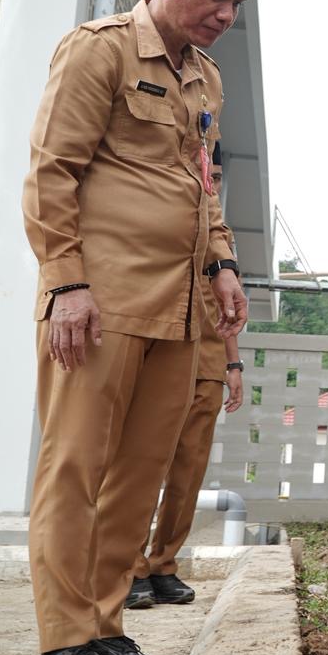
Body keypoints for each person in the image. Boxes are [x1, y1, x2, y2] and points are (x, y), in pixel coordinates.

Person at [21, 0, 256, 655]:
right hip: (102, 303)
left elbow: (203, 186)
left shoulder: (206, 79)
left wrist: (223, 264)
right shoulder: (101, 50)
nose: (225, 14)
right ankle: (61, 649)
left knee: (137, 477)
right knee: (74, 470)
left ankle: (102, 629)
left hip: (179, 309)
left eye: (237, 3)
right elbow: (52, 171)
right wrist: (66, 284)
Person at [126, 143, 245, 610]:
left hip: (208, 360)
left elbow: (228, 308)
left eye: (214, 170)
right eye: (204, 167)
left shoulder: (220, 237)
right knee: (143, 463)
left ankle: (163, 563)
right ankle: (130, 565)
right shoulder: (160, 214)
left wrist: (233, 366)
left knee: (189, 469)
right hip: (163, 347)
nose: (209, 176)